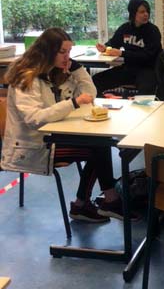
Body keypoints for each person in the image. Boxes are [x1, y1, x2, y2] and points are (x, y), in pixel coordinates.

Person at [0, 28, 136, 223]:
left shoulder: (54, 71)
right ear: (47, 52)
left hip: (53, 136)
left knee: (100, 143)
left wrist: (77, 68)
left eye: (69, 52)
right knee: (98, 149)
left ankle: (92, 203)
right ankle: (101, 201)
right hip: (33, 147)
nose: (67, 57)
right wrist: (72, 103)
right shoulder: (27, 78)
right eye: (62, 52)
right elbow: (35, 118)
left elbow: (90, 94)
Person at [93, 0, 162, 97]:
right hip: (128, 68)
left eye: (147, 11)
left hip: (147, 70)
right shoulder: (125, 28)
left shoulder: (153, 31)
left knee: (145, 92)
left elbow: (148, 56)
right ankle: (104, 103)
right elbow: (113, 43)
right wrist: (105, 48)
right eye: (142, 12)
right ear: (133, 13)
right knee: (95, 81)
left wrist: (122, 53)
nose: (146, 14)